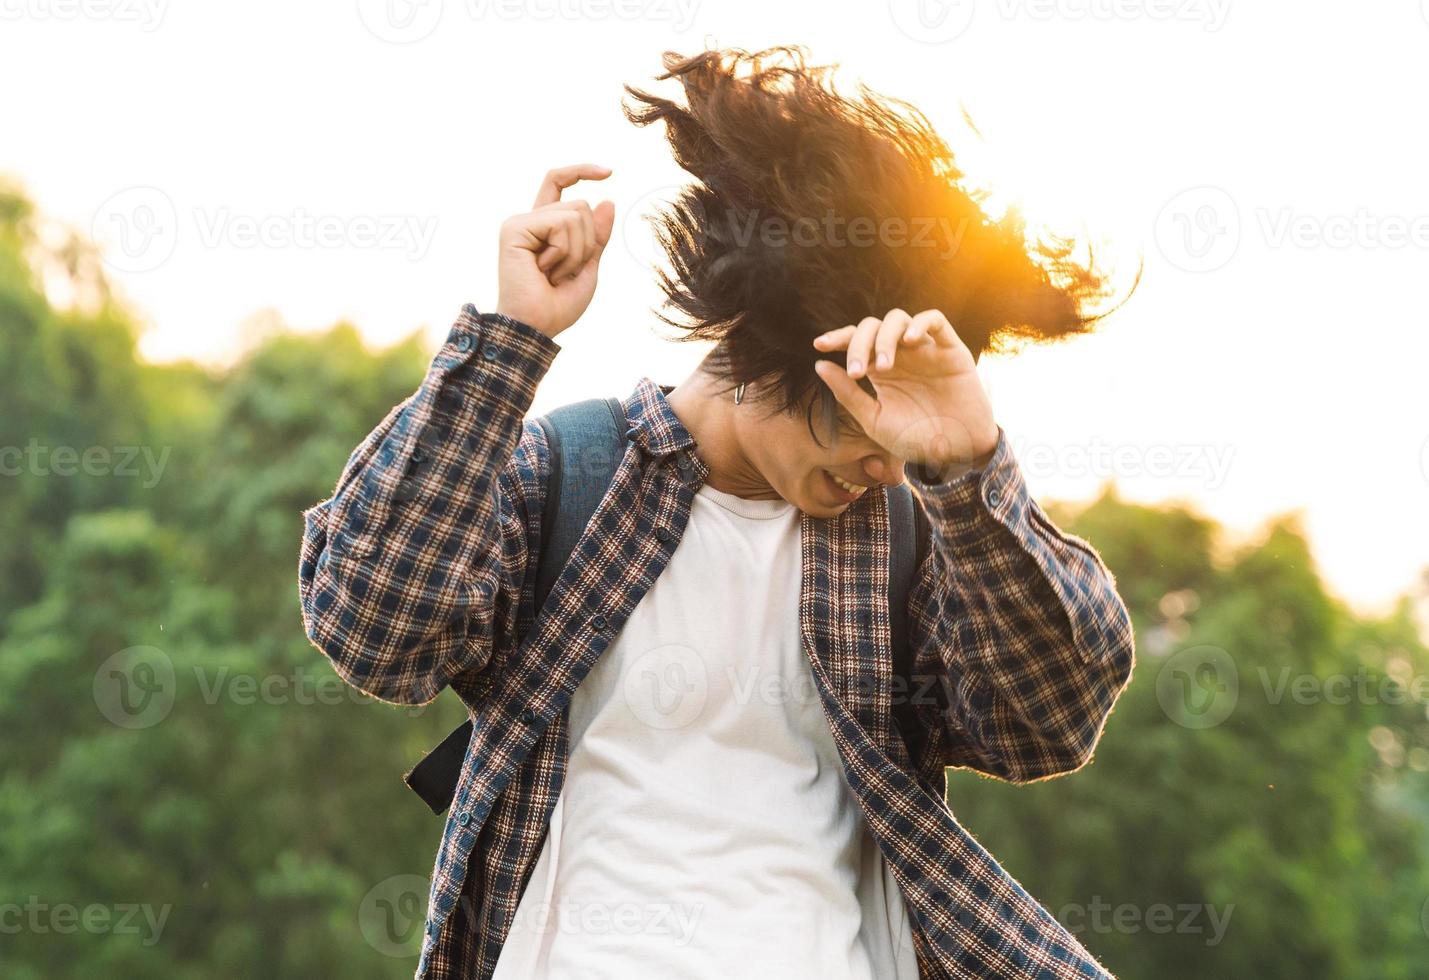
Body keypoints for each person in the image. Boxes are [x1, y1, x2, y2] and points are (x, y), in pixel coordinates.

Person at [299, 46, 1136, 980]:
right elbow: (374, 632)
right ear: (775, 348)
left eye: (904, 438)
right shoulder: (565, 475)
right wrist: (512, 341)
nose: (884, 461)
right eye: (864, 417)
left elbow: (1046, 722)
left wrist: (969, 465)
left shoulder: (911, 540)